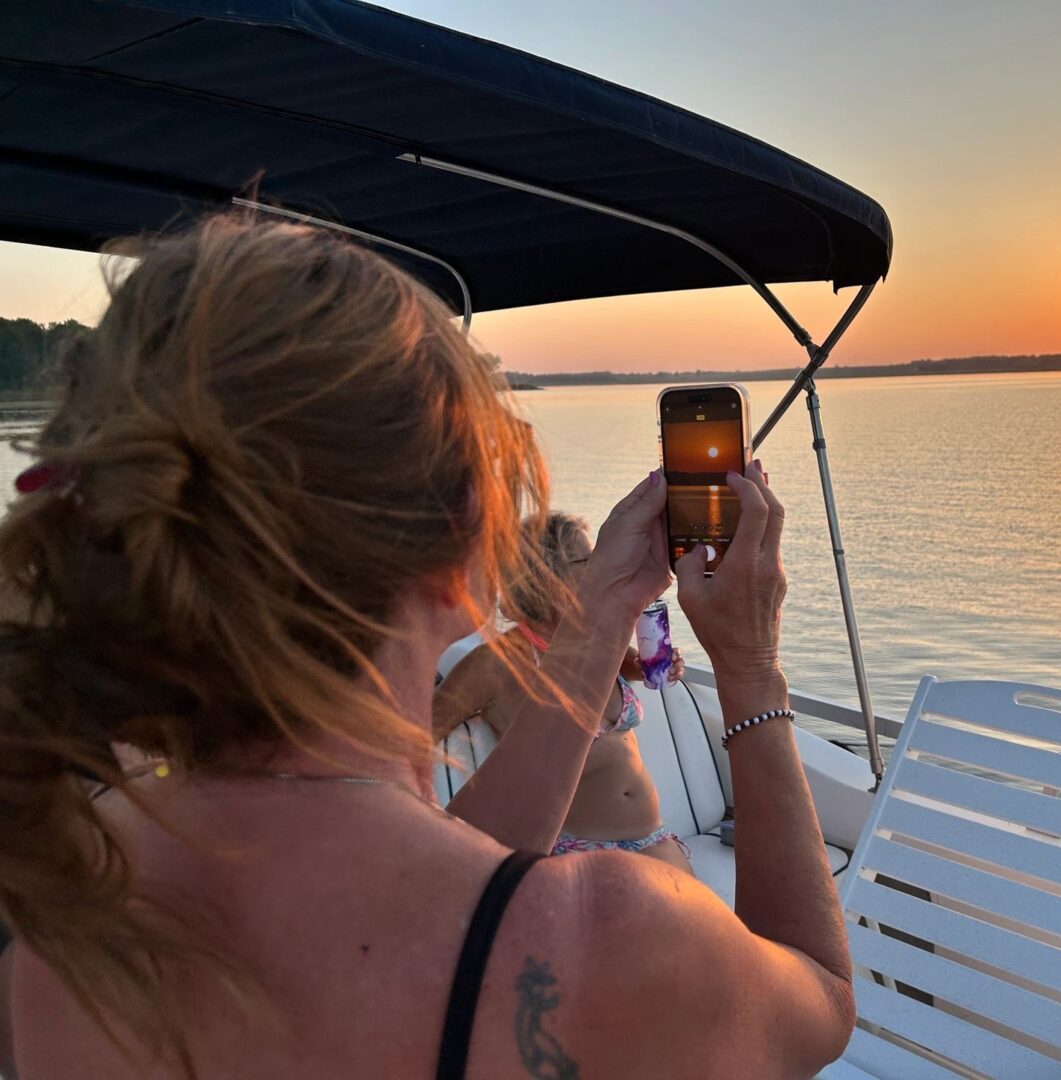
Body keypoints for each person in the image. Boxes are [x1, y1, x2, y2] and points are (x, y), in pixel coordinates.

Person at [0, 215, 854, 1079]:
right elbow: (817, 1000)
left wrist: (601, 616)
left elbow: (454, 872)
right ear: (462, 542)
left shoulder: (66, 922)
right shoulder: (605, 949)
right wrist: (749, 667)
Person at [434, 512, 691, 873]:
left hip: (653, 837)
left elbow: (633, 667)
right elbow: (417, 731)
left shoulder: (598, 639)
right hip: (576, 851)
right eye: (588, 559)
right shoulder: (495, 664)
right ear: (545, 574)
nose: (599, 568)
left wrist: (663, 665)